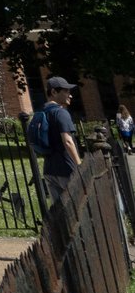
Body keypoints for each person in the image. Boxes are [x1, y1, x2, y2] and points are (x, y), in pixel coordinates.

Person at [30, 76, 82, 207]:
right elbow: (68, 141)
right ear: (54, 92)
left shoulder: (41, 112)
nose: (70, 96)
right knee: (76, 209)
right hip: (67, 169)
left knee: (59, 212)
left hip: (49, 170)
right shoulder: (61, 113)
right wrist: (79, 165)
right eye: (66, 91)